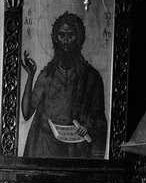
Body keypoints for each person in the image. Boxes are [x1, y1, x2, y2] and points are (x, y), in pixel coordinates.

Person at [21, 11, 108, 158]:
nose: (66, 41)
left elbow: (100, 119)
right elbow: (26, 112)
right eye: (61, 35)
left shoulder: (91, 77)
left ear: (79, 39)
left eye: (71, 35)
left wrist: (88, 127)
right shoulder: (47, 75)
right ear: (55, 39)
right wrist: (30, 76)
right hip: (46, 146)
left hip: (76, 149)